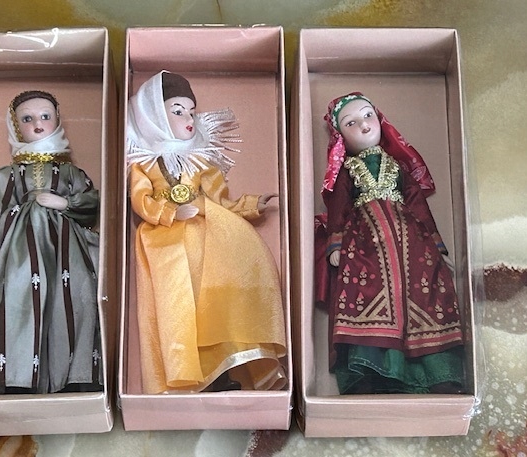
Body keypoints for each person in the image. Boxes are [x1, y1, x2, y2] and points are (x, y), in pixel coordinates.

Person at [126, 71, 287, 394]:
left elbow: (220, 201)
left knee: (211, 304)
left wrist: (251, 205)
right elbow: (140, 200)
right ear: (153, 114)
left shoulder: (200, 162)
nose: (189, 119)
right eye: (178, 111)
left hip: (205, 238)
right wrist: (169, 212)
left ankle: (221, 372)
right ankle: (189, 375)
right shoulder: (144, 164)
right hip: (164, 243)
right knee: (178, 307)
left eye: (191, 112)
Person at [316, 92, 465, 394]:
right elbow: (339, 208)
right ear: (340, 136)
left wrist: (437, 246)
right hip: (365, 243)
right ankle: (374, 373)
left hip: (411, 240)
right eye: (351, 123)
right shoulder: (347, 171)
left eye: (368, 115)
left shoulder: (398, 168)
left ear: (380, 119)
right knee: (369, 297)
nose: (364, 125)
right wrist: (336, 244)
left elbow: (418, 206)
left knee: (422, 297)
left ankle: (434, 374)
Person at [0, 90, 102, 394]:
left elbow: (92, 202)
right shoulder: (8, 174)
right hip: (18, 249)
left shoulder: (71, 172)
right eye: (27, 119)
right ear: (15, 125)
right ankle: (17, 379)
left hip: (65, 247)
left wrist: (65, 204)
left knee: (73, 300)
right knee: (17, 304)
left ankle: (75, 377)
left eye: (45, 116)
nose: (38, 124)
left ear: (57, 120)